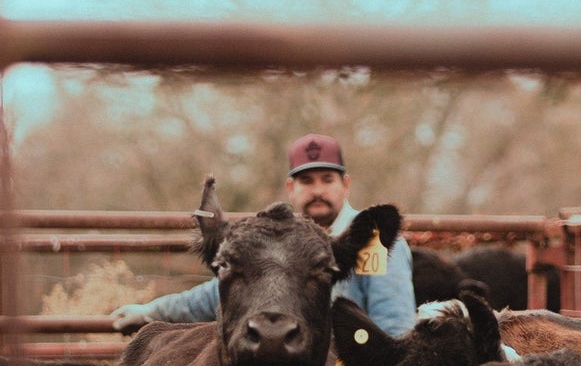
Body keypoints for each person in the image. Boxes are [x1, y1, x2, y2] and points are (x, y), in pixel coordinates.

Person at [110, 132, 418, 337]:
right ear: (291, 189)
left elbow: (394, 326)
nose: (318, 190)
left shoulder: (368, 242)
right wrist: (152, 311)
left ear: (346, 184)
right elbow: (222, 289)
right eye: (306, 181)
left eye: (328, 179)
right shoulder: (280, 242)